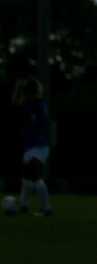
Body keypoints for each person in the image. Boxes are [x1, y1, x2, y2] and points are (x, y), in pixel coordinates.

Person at [12, 77, 53, 216]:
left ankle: (46, 209)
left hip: (38, 145)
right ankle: (24, 206)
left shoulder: (33, 104)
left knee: (35, 177)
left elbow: (15, 103)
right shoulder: (40, 104)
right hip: (32, 145)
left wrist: (18, 87)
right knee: (26, 177)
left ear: (30, 92)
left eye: (26, 93)